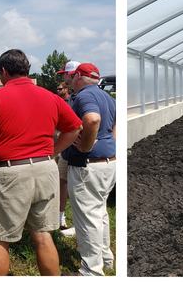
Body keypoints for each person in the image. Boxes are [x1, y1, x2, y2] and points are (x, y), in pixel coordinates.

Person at [0, 49, 82, 276]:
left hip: (9, 173)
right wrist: (52, 152)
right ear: (27, 70)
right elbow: (75, 128)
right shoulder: (51, 97)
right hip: (46, 170)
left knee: (0, 239)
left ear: (4, 71)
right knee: (43, 234)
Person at [62, 62, 117, 276]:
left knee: (88, 217)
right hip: (108, 163)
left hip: (88, 166)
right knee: (100, 212)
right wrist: (110, 145)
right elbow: (115, 126)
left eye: (72, 77)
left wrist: (85, 145)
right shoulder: (107, 97)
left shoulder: (85, 96)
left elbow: (92, 119)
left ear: (78, 77)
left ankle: (91, 271)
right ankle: (106, 257)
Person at [54, 61, 79, 236]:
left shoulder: (82, 98)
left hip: (76, 151)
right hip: (66, 151)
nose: (63, 78)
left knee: (76, 187)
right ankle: (60, 217)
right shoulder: (70, 100)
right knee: (62, 182)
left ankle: (79, 224)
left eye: (65, 75)